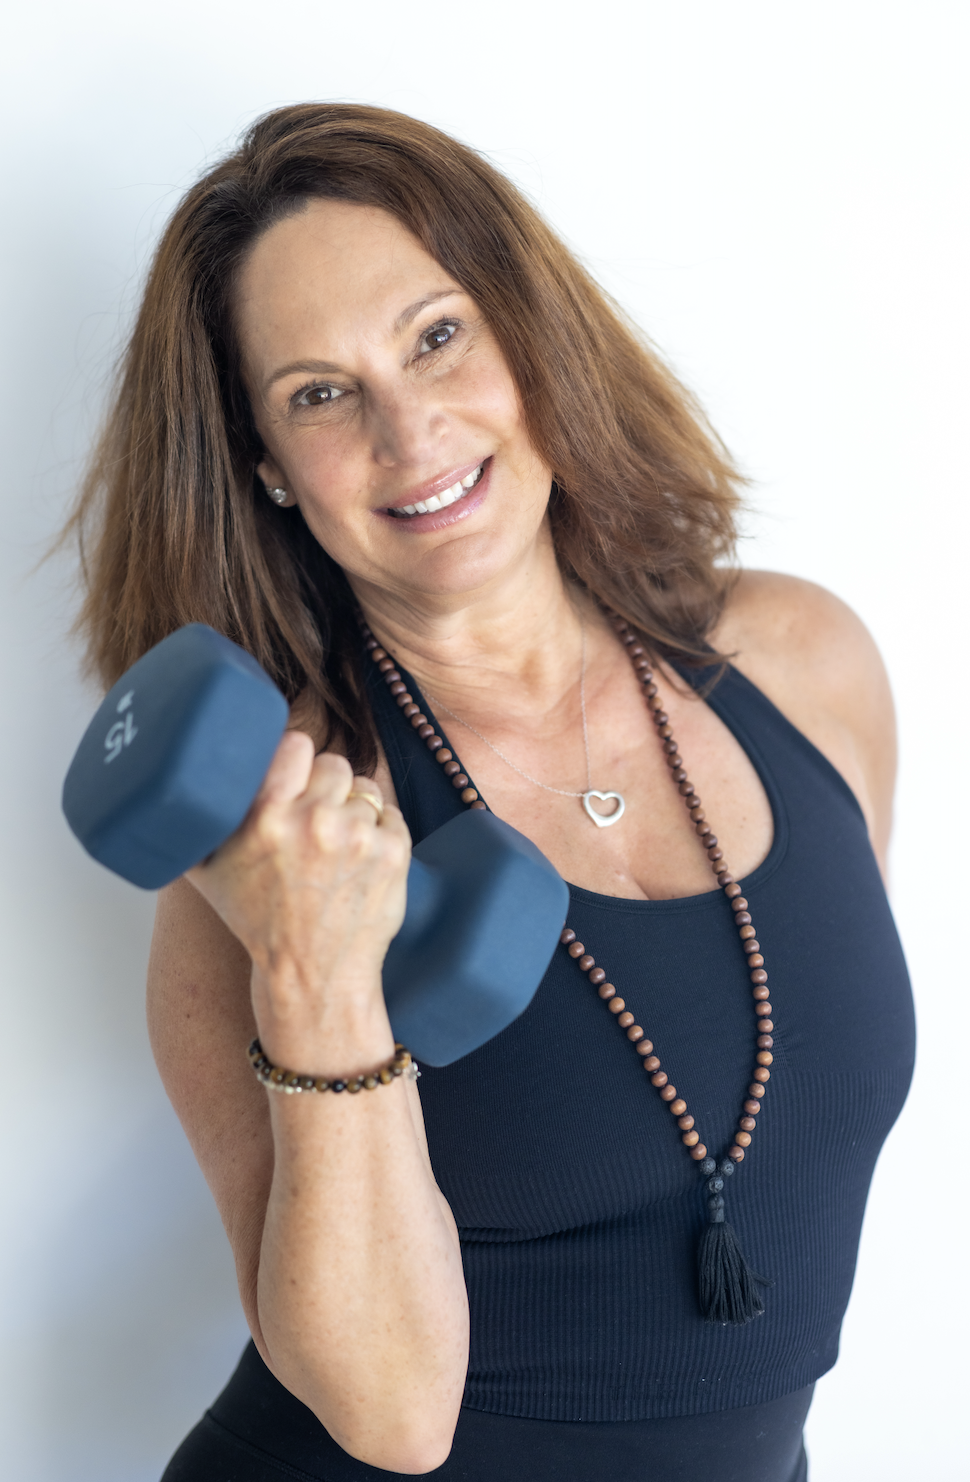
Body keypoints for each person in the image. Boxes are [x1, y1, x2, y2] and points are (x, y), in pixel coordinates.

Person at [66, 104, 915, 1481]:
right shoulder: (275, 840)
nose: (411, 431)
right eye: (320, 394)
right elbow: (389, 1415)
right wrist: (316, 975)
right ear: (266, 464)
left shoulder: (803, 668)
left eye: (436, 336)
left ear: (527, 334)